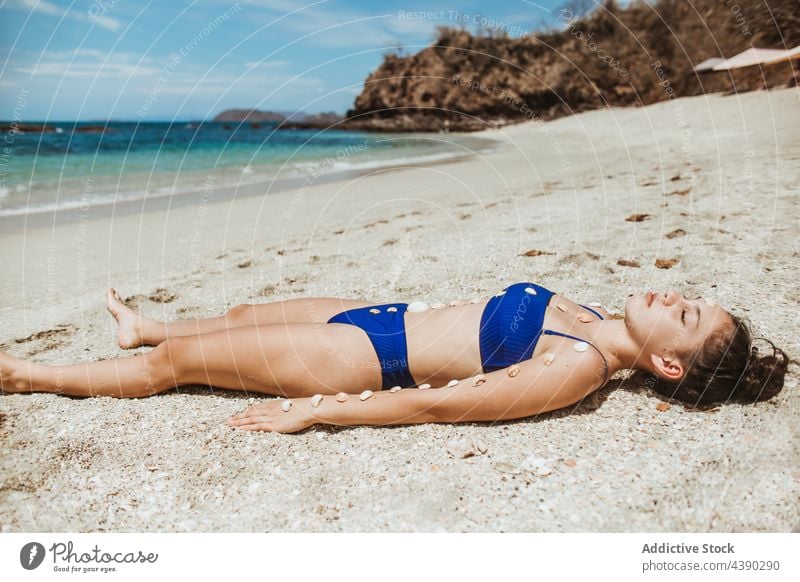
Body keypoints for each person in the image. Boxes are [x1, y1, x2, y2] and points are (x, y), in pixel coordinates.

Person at [0, 283, 789, 433]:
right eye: (689, 295)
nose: (672, 295)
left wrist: (316, 411)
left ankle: (23, 374)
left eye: (685, 315)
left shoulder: (577, 368)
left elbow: (441, 403)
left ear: (670, 367)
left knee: (174, 370)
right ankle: (147, 324)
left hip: (357, 358)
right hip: (378, 314)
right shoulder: (591, 315)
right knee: (235, 317)